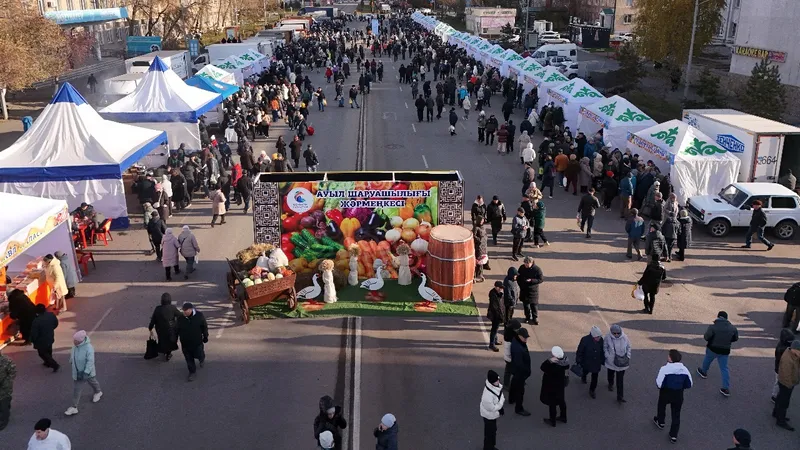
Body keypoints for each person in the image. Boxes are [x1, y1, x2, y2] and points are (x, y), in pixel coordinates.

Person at [653, 349, 693, 443]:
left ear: (670, 358)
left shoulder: (664, 369)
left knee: (661, 406)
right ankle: (673, 434)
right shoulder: (684, 370)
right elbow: (689, 384)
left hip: (666, 393)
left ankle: (660, 421)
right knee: (676, 414)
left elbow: (659, 384)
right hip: (678, 394)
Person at [696, 311, 739, 397]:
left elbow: (706, 337)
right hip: (725, 351)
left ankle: (704, 372)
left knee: (707, 359)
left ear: (718, 317)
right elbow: (735, 338)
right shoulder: (733, 328)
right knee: (724, 368)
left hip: (712, 348)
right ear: (726, 318)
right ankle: (725, 388)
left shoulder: (713, 327)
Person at [64, 330, 102, 416]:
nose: (74, 341)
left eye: (76, 340)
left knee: (92, 382)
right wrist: (71, 361)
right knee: (77, 389)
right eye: (74, 340)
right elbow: (73, 355)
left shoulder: (89, 348)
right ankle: (74, 407)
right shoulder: (75, 346)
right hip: (78, 373)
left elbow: (90, 361)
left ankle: (98, 392)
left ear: (81, 341)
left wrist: (86, 372)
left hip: (86, 372)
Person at [177, 302, 208, 382]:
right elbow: (176, 329)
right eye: (183, 310)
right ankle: (192, 372)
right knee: (188, 359)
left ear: (191, 309)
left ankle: (201, 358)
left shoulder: (199, 316)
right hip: (185, 343)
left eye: (186, 310)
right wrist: (174, 339)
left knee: (199, 354)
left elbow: (204, 326)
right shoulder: (180, 318)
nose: (184, 312)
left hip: (197, 342)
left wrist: (205, 336)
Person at [773, 339, 800, 431]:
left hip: (784, 382)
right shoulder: (788, 360)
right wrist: (790, 385)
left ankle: (776, 413)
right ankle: (781, 421)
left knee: (780, 398)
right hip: (786, 383)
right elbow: (786, 375)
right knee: (784, 402)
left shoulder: (791, 354)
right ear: (795, 349)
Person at [539, 346, 569, 427]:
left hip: (551, 386)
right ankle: (563, 417)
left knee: (552, 403)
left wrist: (549, 361)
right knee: (562, 401)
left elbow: (542, 367)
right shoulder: (565, 362)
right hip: (561, 385)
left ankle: (552, 421)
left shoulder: (553, 365)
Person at [148, 293, 182, 361]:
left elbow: (153, 320)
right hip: (171, 329)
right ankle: (168, 353)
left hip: (160, 329)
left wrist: (150, 327)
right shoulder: (172, 308)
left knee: (162, 339)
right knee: (171, 339)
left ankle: (163, 350)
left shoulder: (158, 308)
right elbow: (180, 315)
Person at [604, 324, 631, 403]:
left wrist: (628, 356)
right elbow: (605, 347)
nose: (616, 335)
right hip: (611, 361)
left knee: (620, 380)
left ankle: (620, 396)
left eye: (618, 333)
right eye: (614, 333)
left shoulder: (625, 337)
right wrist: (607, 356)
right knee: (610, 374)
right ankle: (610, 383)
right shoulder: (607, 337)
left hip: (622, 362)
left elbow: (629, 347)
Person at [576, 326, 604, 399]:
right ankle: (583, 376)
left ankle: (592, 390)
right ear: (593, 336)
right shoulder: (585, 340)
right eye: (597, 337)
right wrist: (578, 360)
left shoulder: (601, 340)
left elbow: (602, 350)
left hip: (596, 362)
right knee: (585, 371)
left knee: (595, 377)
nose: (599, 338)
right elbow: (580, 351)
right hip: (587, 361)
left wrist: (603, 360)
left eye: (599, 336)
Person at [480, 369, 505, 450]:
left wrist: (500, 402)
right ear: (492, 382)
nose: (498, 382)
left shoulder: (495, 386)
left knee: (492, 431)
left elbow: (501, 395)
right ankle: (488, 448)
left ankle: (491, 446)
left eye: (498, 379)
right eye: (496, 381)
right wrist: (500, 404)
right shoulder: (487, 396)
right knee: (489, 433)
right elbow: (492, 408)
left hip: (492, 415)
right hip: (489, 416)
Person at [509, 327, 532, 416]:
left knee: (514, 383)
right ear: (519, 335)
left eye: (526, 337)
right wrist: (526, 372)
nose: (526, 339)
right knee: (520, 391)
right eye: (524, 337)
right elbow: (519, 363)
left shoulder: (517, 341)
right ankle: (519, 408)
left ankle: (511, 399)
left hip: (516, 370)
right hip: (520, 372)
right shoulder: (518, 348)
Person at [30, 304, 59, 372]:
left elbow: (34, 333)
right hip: (50, 336)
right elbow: (56, 323)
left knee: (42, 353)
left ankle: (54, 364)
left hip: (41, 340)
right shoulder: (51, 315)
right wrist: (50, 329)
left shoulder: (36, 321)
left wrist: (33, 340)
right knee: (49, 351)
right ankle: (47, 363)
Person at [517, 257, 543, 325]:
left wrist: (532, 280)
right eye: (525, 263)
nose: (526, 265)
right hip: (524, 290)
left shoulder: (537, 269)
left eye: (527, 264)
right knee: (526, 306)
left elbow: (541, 279)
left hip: (533, 291)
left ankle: (535, 318)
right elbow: (518, 277)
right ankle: (527, 317)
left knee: (534, 306)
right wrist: (520, 284)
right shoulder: (522, 268)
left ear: (531, 263)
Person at [772, 328, 795, 403]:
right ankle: (774, 396)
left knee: (780, 383)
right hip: (780, 369)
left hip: (782, 368)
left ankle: (778, 395)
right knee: (778, 383)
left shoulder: (783, 345)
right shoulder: (782, 349)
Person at [0, 349, 16, 431]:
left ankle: (3, 422)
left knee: (3, 405)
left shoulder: (6, 360)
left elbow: (12, 373)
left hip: (4, 388)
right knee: (4, 404)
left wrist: (6, 384)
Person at [487, 281, 505, 352]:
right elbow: (496, 307)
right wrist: (500, 316)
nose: (501, 289)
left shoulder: (498, 293)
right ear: (496, 287)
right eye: (500, 288)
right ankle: (492, 344)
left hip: (498, 314)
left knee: (496, 328)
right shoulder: (493, 294)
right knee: (494, 329)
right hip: (495, 315)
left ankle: (495, 340)